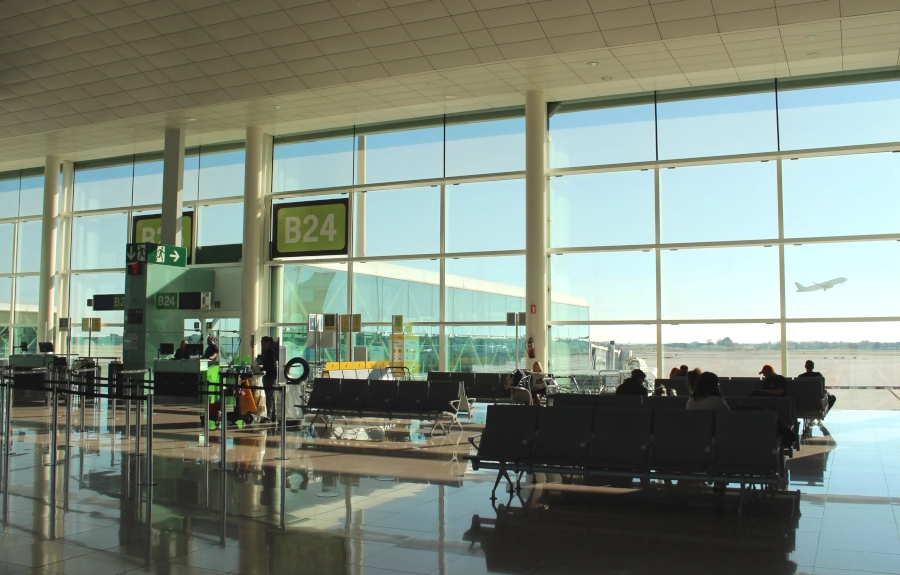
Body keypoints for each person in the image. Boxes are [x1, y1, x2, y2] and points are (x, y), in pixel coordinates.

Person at [260, 336, 279, 422]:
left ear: (268, 343)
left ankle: (269, 415)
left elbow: (271, 366)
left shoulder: (270, 353)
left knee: (270, 396)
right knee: (271, 396)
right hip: (270, 376)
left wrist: (264, 369)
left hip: (270, 377)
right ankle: (273, 416)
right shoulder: (268, 352)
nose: (262, 344)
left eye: (263, 342)